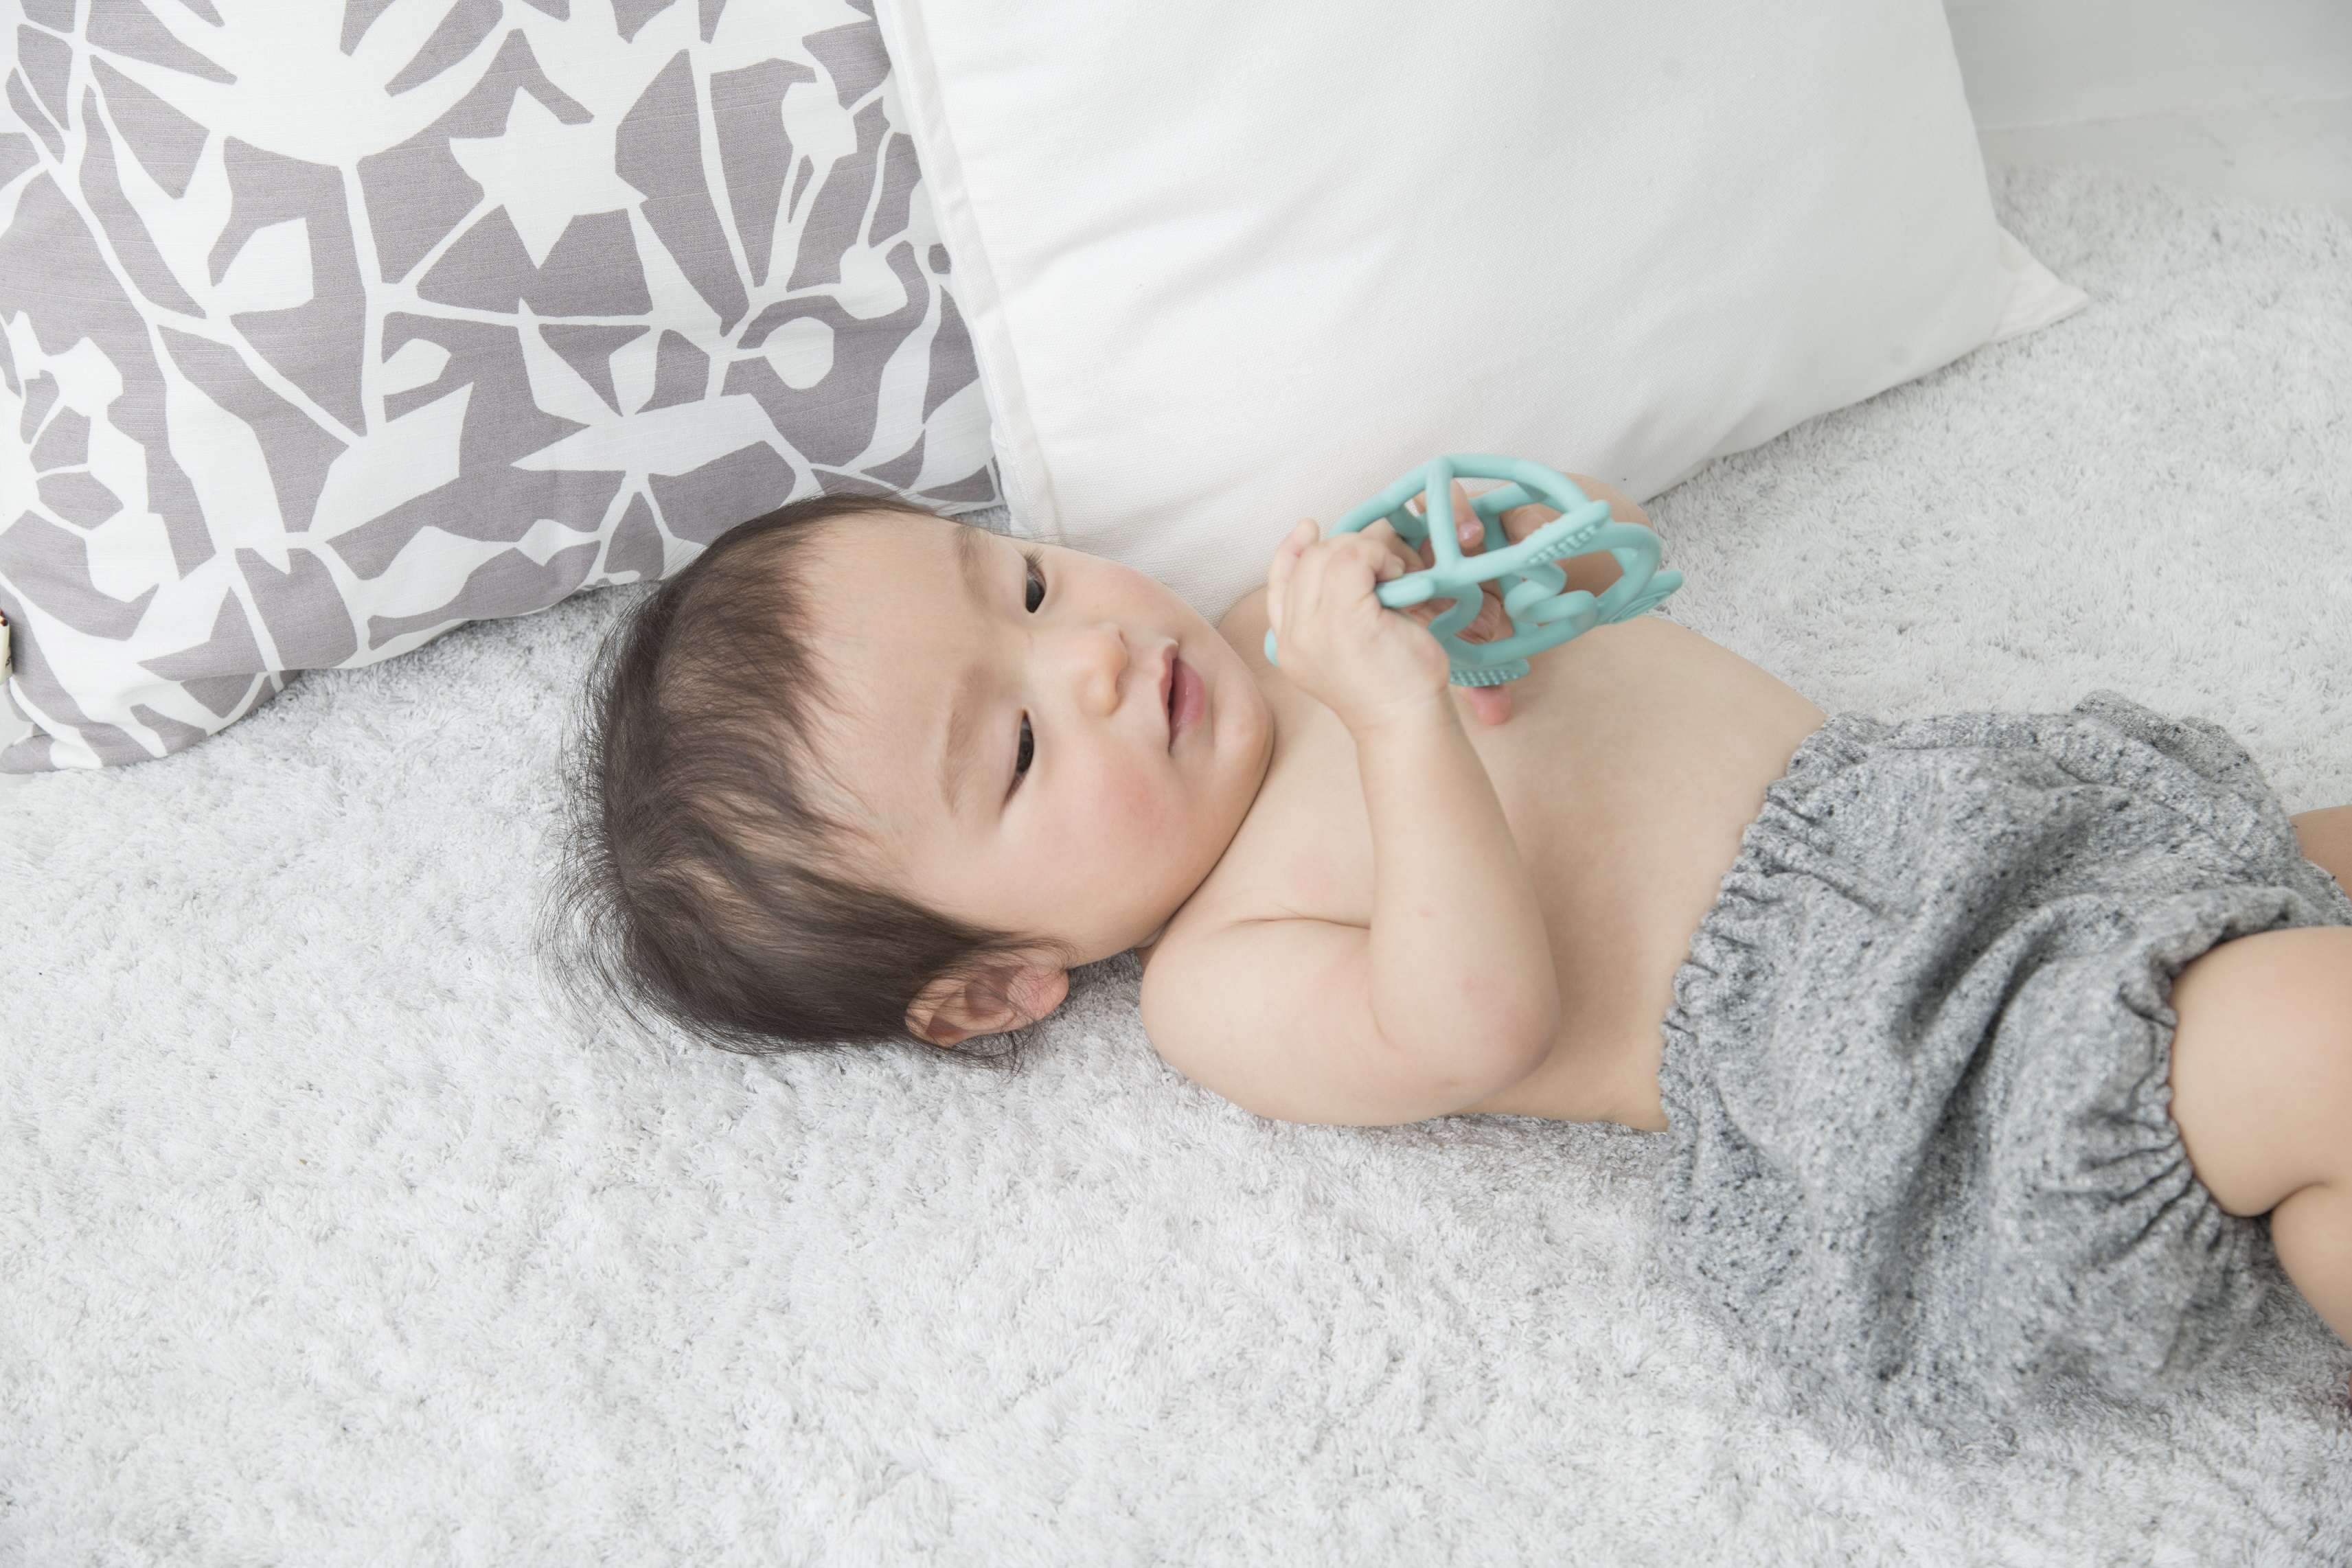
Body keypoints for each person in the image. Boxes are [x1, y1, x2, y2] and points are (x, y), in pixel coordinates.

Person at [558, 478, 2352, 1414]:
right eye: (1018, 749)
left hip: (1976, 838)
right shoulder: (1220, 978)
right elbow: (1474, 1021)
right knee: (2308, 1038)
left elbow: (1615, 568)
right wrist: (1402, 722)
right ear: (995, 984)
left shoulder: (1290, 614)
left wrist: (1516, 554)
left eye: (1021, 581)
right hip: (1889, 1049)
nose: (1089, 653)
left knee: (2298, 898)